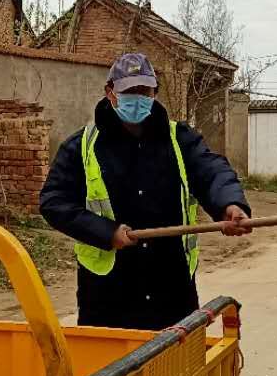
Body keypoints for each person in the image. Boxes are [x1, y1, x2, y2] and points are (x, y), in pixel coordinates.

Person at [40, 52, 252, 331]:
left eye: (145, 91)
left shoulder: (179, 139)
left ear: (155, 93)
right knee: (111, 373)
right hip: (108, 297)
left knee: (177, 372)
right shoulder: (82, 146)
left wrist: (230, 204)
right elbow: (54, 202)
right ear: (110, 92)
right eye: (129, 91)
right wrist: (106, 232)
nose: (137, 98)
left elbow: (212, 171)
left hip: (172, 292)